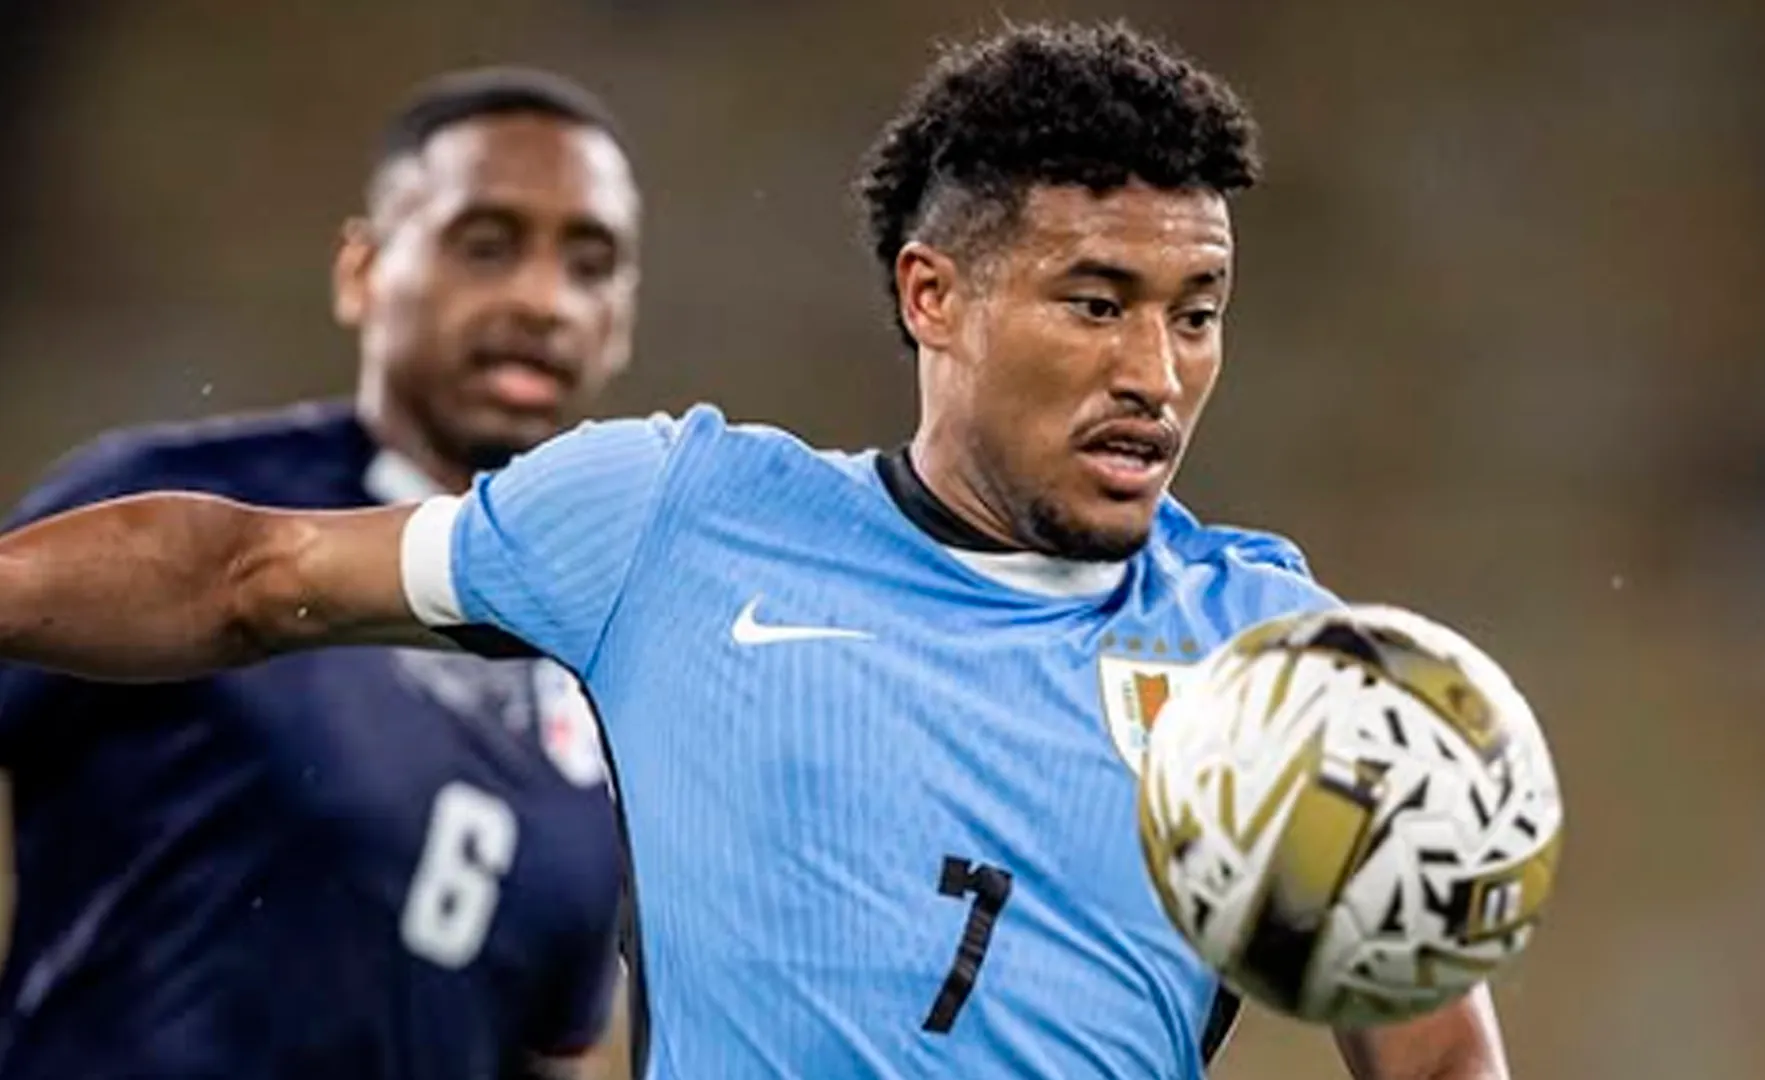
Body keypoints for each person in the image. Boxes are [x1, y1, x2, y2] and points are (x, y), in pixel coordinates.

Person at [0, 23, 1513, 1079]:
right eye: (1097, 300)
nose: (1158, 372)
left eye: (1198, 313)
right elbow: (248, 578)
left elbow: (1440, 1054)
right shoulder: (675, 524)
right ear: (935, 296)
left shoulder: (1276, 660)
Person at [0, 67, 642, 1080]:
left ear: (623, 319)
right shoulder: (166, 513)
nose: (541, 299)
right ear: (362, 271)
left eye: (590, 263)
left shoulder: (613, 667)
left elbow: (550, 1047)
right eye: (487, 244)